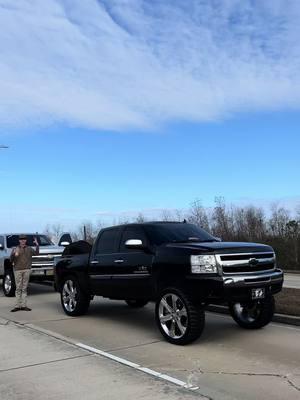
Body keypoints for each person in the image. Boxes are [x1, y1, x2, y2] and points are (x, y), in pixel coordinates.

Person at [10, 234, 39, 312]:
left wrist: (37, 245)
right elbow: (11, 260)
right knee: (18, 288)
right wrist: (14, 255)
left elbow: (36, 253)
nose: (23, 240)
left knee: (24, 288)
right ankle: (17, 306)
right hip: (17, 270)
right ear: (19, 240)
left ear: (26, 240)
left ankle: (24, 306)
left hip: (26, 269)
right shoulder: (15, 248)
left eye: (24, 239)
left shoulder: (29, 248)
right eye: (21, 239)